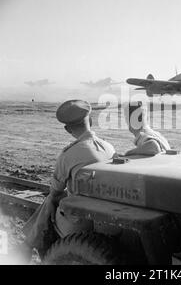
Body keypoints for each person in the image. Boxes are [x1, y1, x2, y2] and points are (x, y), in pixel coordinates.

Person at [22, 99, 115, 259]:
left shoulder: (68, 155)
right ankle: (27, 244)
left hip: (79, 222)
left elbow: (55, 192)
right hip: (106, 219)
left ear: (67, 129)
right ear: (91, 121)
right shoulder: (109, 147)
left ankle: (31, 247)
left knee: (51, 201)